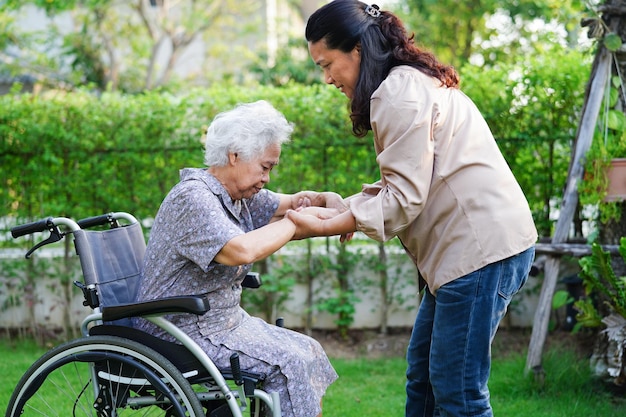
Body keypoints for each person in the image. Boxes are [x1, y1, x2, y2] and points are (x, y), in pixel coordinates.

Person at [288, 2, 539, 417]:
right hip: (466, 254)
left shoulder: (398, 93)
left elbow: (404, 198)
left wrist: (331, 224)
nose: (327, 78)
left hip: (477, 254)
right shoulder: (406, 83)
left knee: (458, 393)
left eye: (327, 64)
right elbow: (407, 183)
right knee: (423, 381)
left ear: (357, 50)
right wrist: (343, 206)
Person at [134, 100, 340, 417]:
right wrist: (297, 221)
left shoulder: (235, 195)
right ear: (234, 156)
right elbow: (241, 250)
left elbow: (293, 207)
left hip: (223, 323)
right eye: (265, 167)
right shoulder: (194, 198)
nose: (268, 178)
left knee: (307, 350)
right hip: (180, 329)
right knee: (290, 363)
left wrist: (330, 202)